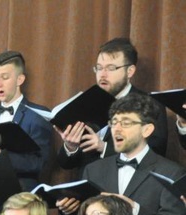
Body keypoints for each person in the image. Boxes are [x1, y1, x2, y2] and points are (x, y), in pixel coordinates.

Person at [57, 92, 186, 215]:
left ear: (147, 130)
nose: (116, 129)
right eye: (114, 122)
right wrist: (68, 212)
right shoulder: (94, 169)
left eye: (125, 123)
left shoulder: (172, 172)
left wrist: (135, 210)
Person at [56, 38, 168, 171]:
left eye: (111, 68)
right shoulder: (87, 102)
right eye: (99, 68)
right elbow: (65, 164)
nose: (102, 75)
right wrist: (71, 147)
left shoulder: (150, 104)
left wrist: (104, 148)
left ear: (130, 71)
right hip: (88, 186)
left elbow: (156, 151)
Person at [0, 50, 52, 190]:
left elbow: (40, 163)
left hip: (21, 193)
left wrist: (0, 157)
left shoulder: (38, 115)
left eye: (4, 77)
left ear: (20, 80)